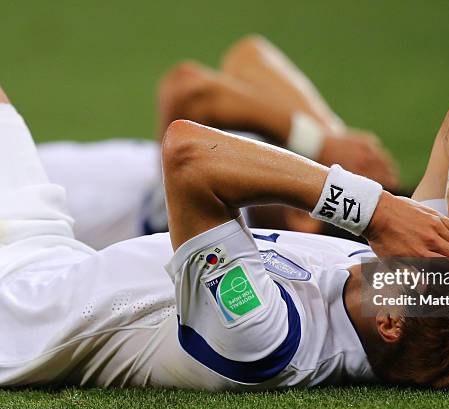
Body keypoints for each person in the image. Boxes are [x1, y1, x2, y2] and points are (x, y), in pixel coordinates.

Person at [0, 81, 449, 389]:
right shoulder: (391, 286)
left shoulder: (264, 338)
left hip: (15, 316)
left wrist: (376, 213)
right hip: (45, 257)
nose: (430, 241)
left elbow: (189, 153)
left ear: (393, 320)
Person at [36, 35, 400, 249]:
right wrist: (332, 140)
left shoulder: (205, 212)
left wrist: (322, 146)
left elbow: (188, 89)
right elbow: (248, 55)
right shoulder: (263, 165)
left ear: (300, 216)